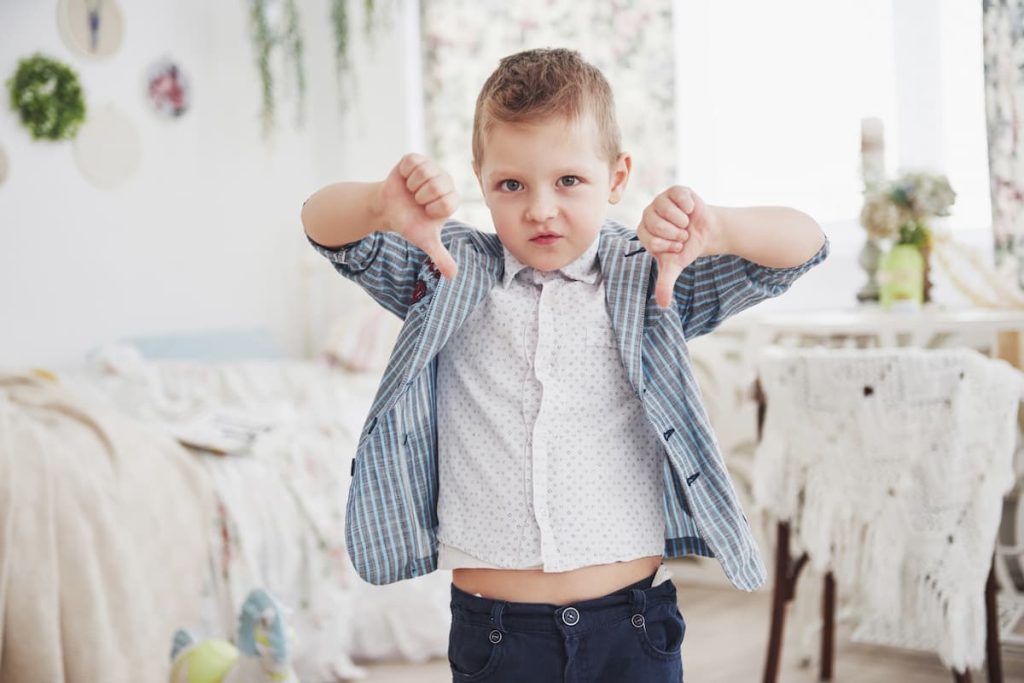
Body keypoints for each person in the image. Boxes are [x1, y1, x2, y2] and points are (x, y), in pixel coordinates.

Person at [302, 47, 828, 682]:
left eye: (569, 181)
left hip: (630, 626)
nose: (540, 209)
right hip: (495, 632)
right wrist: (379, 206)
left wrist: (717, 228)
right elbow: (324, 227)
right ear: (481, 179)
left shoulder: (650, 276)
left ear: (617, 176)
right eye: (511, 185)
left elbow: (803, 247)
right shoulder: (446, 272)